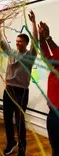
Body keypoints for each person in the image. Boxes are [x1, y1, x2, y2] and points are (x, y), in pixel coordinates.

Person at [0, 11, 38, 156]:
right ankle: (11, 142)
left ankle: (22, 147)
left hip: (22, 92)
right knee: (7, 119)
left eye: (21, 41)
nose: (18, 43)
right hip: (8, 90)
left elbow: (36, 42)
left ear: (26, 43)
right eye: (17, 41)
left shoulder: (30, 55)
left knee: (19, 121)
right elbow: (1, 43)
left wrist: (33, 23)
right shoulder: (12, 53)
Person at [38, 22, 59, 156]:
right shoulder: (54, 68)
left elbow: (55, 51)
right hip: (53, 115)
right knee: (55, 148)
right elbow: (45, 53)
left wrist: (48, 38)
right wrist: (42, 36)